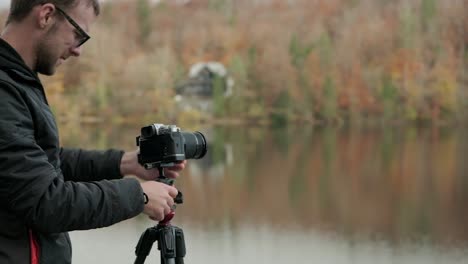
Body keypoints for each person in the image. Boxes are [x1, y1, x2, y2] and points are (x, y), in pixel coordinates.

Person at [0, 1, 186, 263]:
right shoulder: (5, 89)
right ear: (46, 15)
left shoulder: (18, 80)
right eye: (78, 34)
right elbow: (46, 202)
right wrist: (139, 195)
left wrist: (125, 163)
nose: (78, 50)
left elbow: (42, 164)